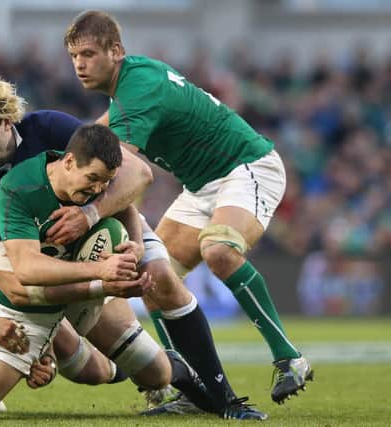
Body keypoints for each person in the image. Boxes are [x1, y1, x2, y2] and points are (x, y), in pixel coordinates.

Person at [0, 69, 205, 418]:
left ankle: (199, 384)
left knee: (132, 369)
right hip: (19, 279)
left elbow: (124, 179)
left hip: (81, 251)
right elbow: (19, 287)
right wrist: (98, 281)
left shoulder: (50, 129)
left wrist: (106, 227)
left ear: (5, 120)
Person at [63, 9, 313, 406]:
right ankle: (190, 387)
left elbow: (116, 166)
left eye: (89, 54)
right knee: (152, 275)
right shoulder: (130, 86)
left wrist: (87, 213)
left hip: (246, 166)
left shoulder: (139, 86)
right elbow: (93, 139)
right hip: (202, 186)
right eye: (74, 56)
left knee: (220, 249)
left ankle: (290, 358)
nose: (79, 64)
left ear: (116, 51)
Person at [0, 124, 166, 419]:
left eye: (105, 182)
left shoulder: (93, 190)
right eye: (93, 179)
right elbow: (28, 271)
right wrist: (102, 275)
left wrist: (135, 246)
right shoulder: (19, 187)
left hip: (33, 318)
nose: (98, 189)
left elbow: (123, 202)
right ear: (69, 161)